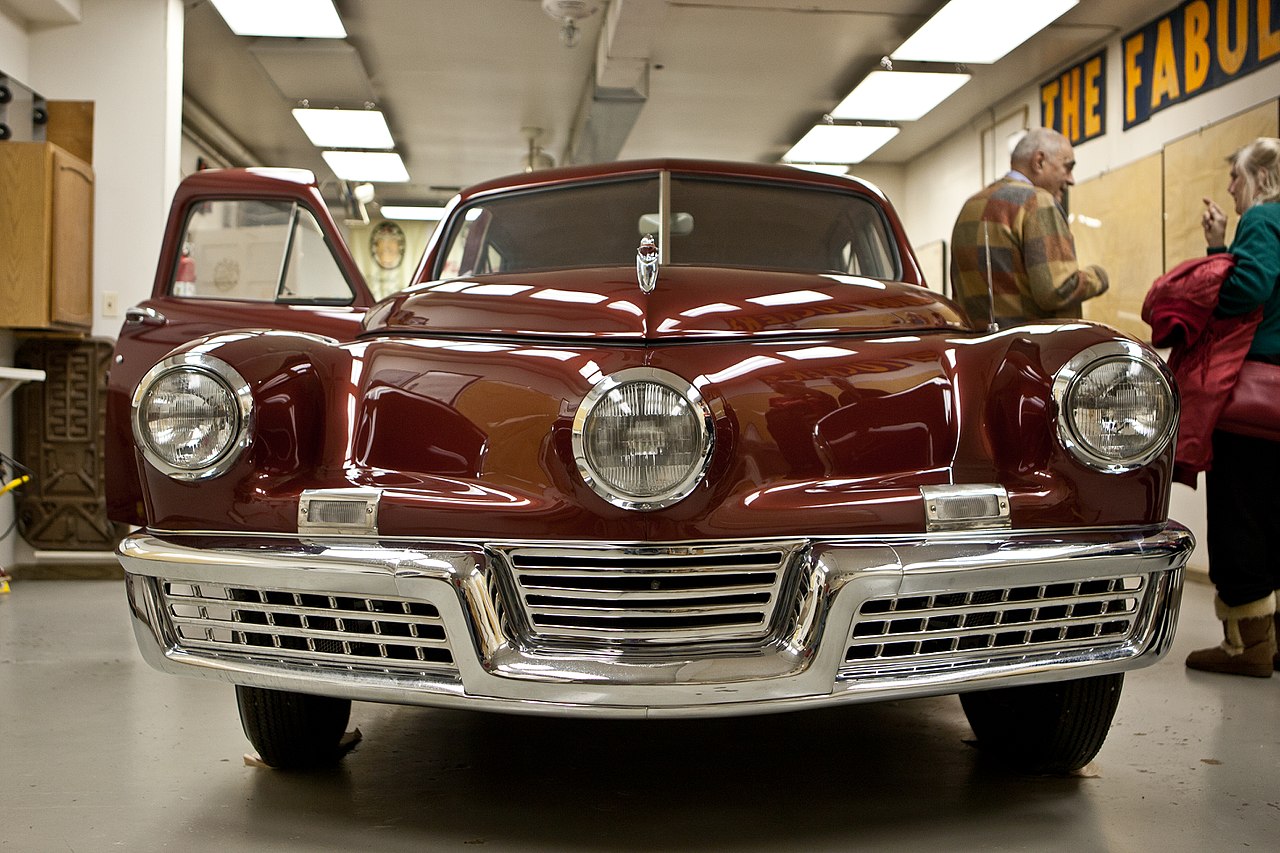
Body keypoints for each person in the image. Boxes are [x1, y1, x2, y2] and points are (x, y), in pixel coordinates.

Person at [1185, 136, 1280, 678]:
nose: (1230, 187)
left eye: (1236, 177)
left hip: (1253, 401)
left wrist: (1218, 253)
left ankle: (1247, 645)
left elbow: (1247, 288)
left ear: (1260, 180)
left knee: (1239, 513)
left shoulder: (1264, 221)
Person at [949, 127, 1108, 327]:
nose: (1071, 180)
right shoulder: (1037, 201)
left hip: (982, 352)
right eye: (1067, 167)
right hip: (1033, 351)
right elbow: (1056, 290)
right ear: (1039, 161)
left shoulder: (969, 207)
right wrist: (1098, 277)